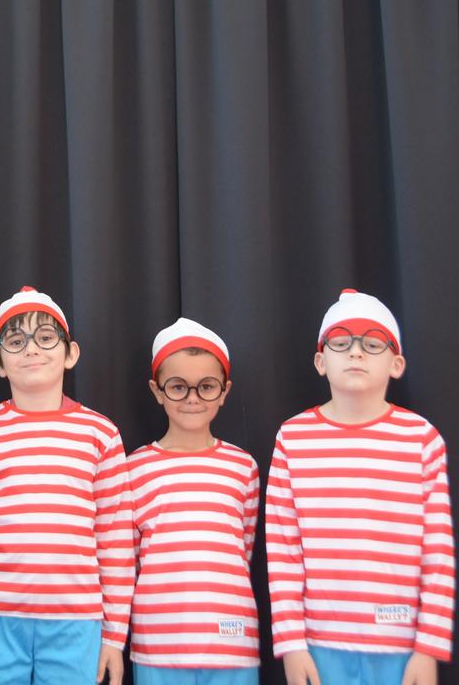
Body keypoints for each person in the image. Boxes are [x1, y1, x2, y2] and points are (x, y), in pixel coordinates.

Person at [0, 286, 133, 685]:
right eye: (16, 341)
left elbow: (114, 541)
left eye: (46, 338)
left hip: (76, 620)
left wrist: (114, 637)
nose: (32, 349)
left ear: (70, 353)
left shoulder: (100, 434)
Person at [266, 289, 454, 685]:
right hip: (319, 647)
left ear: (397, 362)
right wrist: (292, 644)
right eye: (340, 342)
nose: (355, 352)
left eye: (371, 343)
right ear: (321, 360)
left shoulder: (421, 439)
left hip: (401, 648)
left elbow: (439, 552)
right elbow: (283, 548)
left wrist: (428, 648)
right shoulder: (293, 438)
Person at [127, 318, 260, 684]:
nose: (192, 399)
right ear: (157, 391)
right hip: (158, 645)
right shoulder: (134, 469)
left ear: (224, 391)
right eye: (178, 387)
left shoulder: (243, 467)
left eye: (206, 387)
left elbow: (242, 548)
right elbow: (129, 559)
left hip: (232, 643)